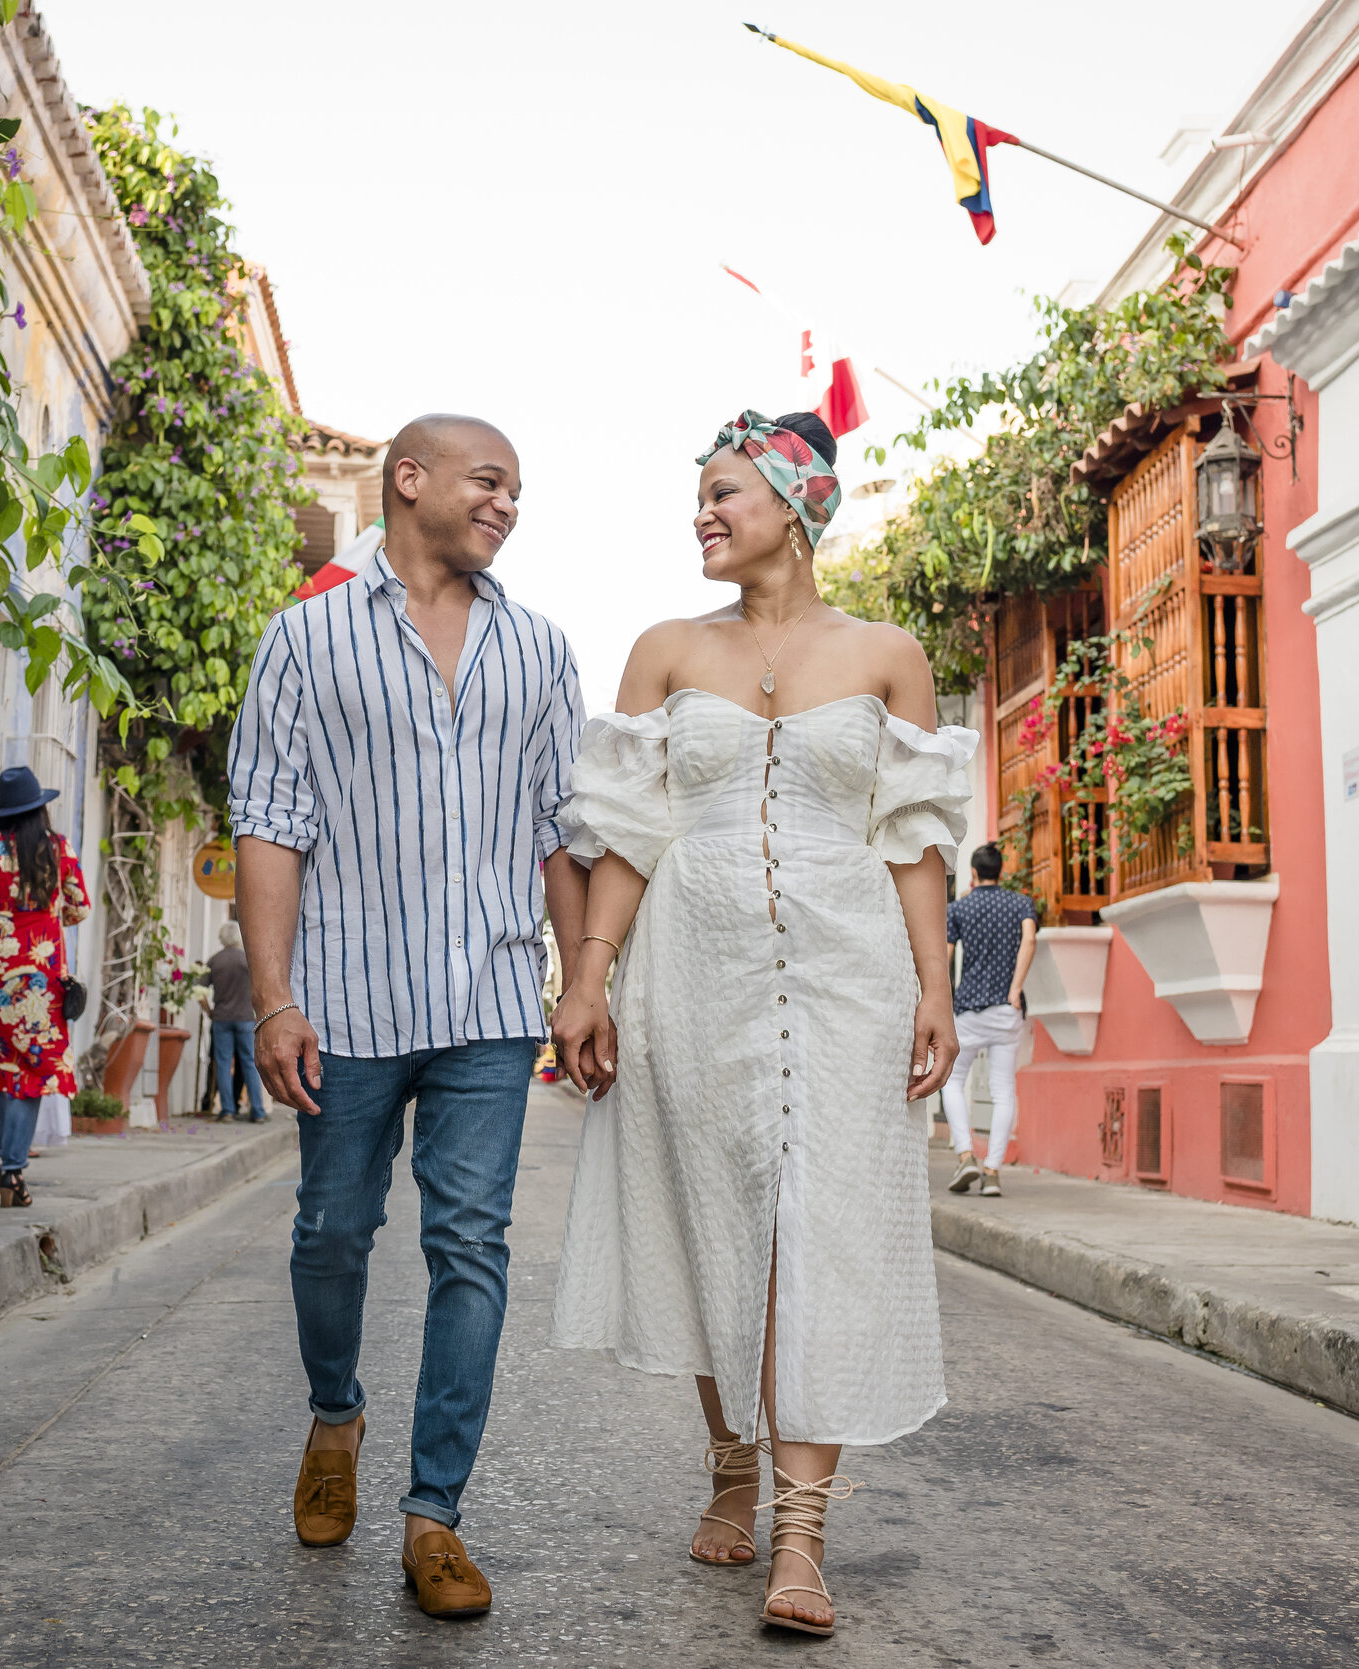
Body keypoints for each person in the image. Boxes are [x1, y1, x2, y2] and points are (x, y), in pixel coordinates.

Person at [548, 410, 974, 1638]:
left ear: (794, 506)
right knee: (712, 1210)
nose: (702, 513)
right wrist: (589, 978)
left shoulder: (888, 653)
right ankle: (729, 1459)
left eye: (723, 492)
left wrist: (935, 986)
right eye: (698, 496)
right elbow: (629, 830)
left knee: (822, 1224)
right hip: (692, 962)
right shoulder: (665, 649)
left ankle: (800, 1536)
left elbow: (911, 837)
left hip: (852, 970)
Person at [230, 413, 586, 1619]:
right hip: (346, 997)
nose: (506, 505)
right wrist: (275, 999)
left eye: (518, 491)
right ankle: (336, 1412)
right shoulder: (305, 640)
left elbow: (559, 833)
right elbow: (269, 823)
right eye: (490, 482)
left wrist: (580, 978)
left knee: (469, 1247)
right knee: (330, 1232)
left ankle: (434, 1514)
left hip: (489, 999)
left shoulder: (539, 651)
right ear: (410, 479)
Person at [0, 765, 91, 1208]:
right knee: (34, 1069)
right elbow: (78, 909)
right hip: (38, 976)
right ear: (39, 809)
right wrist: (43, 911)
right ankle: (12, 1175)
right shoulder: (58, 849)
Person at [942, 842, 1038, 1198]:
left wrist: (944, 1000)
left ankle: (966, 1154)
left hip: (967, 1010)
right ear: (1001, 872)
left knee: (952, 1081)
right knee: (1003, 1091)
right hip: (1006, 1010)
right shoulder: (1020, 904)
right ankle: (993, 1172)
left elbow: (946, 957)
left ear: (973, 873)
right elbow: (1029, 940)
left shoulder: (959, 908)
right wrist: (1015, 989)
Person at [203, 921, 263, 1122]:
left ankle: (227, 1110)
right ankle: (258, 1111)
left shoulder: (214, 960)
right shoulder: (247, 960)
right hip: (246, 1018)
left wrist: (209, 1011)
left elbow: (200, 992)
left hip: (221, 1019)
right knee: (249, 1063)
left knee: (222, 1063)